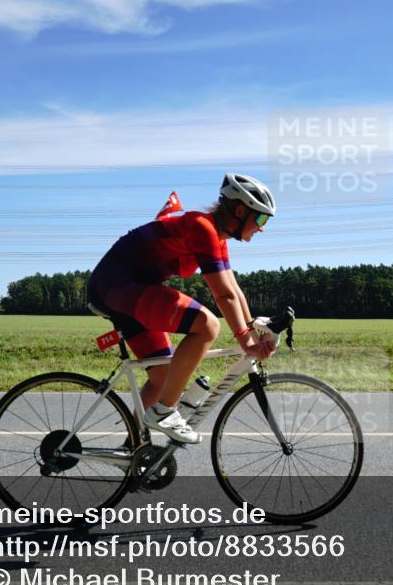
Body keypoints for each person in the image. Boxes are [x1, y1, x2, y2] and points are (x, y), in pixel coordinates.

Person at [87, 173, 277, 444]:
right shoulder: (202, 228)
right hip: (117, 286)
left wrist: (253, 328)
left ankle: (134, 448)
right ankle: (164, 412)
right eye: (261, 219)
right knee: (207, 325)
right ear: (239, 210)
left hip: (127, 288)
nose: (262, 228)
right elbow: (222, 295)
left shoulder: (217, 238)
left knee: (163, 376)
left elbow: (234, 290)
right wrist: (246, 341)